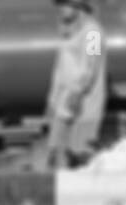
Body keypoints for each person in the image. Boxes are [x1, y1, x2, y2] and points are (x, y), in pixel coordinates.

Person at [46, 0, 108, 167]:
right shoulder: (68, 32)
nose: (59, 9)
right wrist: (53, 98)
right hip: (63, 105)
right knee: (56, 153)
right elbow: (61, 68)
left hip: (84, 106)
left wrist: (77, 93)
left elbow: (91, 66)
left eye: (63, 4)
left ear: (78, 5)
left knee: (79, 156)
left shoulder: (93, 33)